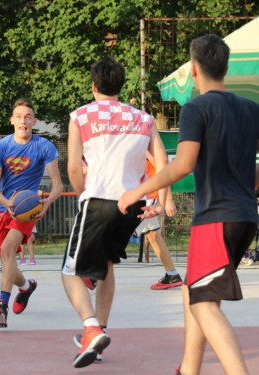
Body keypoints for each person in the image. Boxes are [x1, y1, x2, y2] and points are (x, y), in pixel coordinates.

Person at [118, 34, 259, 375]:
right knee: (192, 291)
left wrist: (138, 193)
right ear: (225, 67)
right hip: (246, 217)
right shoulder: (251, 108)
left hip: (215, 219)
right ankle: (188, 369)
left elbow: (182, 164)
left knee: (206, 306)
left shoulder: (195, 108)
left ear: (194, 70)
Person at [63, 57, 168, 368]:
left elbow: (71, 166)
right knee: (107, 265)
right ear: (121, 86)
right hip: (133, 204)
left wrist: (83, 194)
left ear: (94, 86)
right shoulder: (143, 118)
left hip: (98, 199)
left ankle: (91, 328)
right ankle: (100, 337)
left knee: (70, 271)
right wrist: (159, 202)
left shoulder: (80, 116)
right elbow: (163, 161)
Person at [0, 98, 63, 328]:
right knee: (7, 261)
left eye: (27, 116)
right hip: (3, 208)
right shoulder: (0, 147)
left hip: (26, 210)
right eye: (19, 116)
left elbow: (58, 185)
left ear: (34, 121)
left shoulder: (44, 146)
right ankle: (27, 286)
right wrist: (6, 203)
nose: (23, 120)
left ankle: (2, 305)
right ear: (12, 120)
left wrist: (46, 204)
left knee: (8, 250)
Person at [134, 159, 182, 290]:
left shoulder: (147, 139)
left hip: (149, 197)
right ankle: (172, 275)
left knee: (117, 232)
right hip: (141, 195)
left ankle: (94, 274)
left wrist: (168, 200)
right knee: (153, 235)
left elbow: (162, 167)